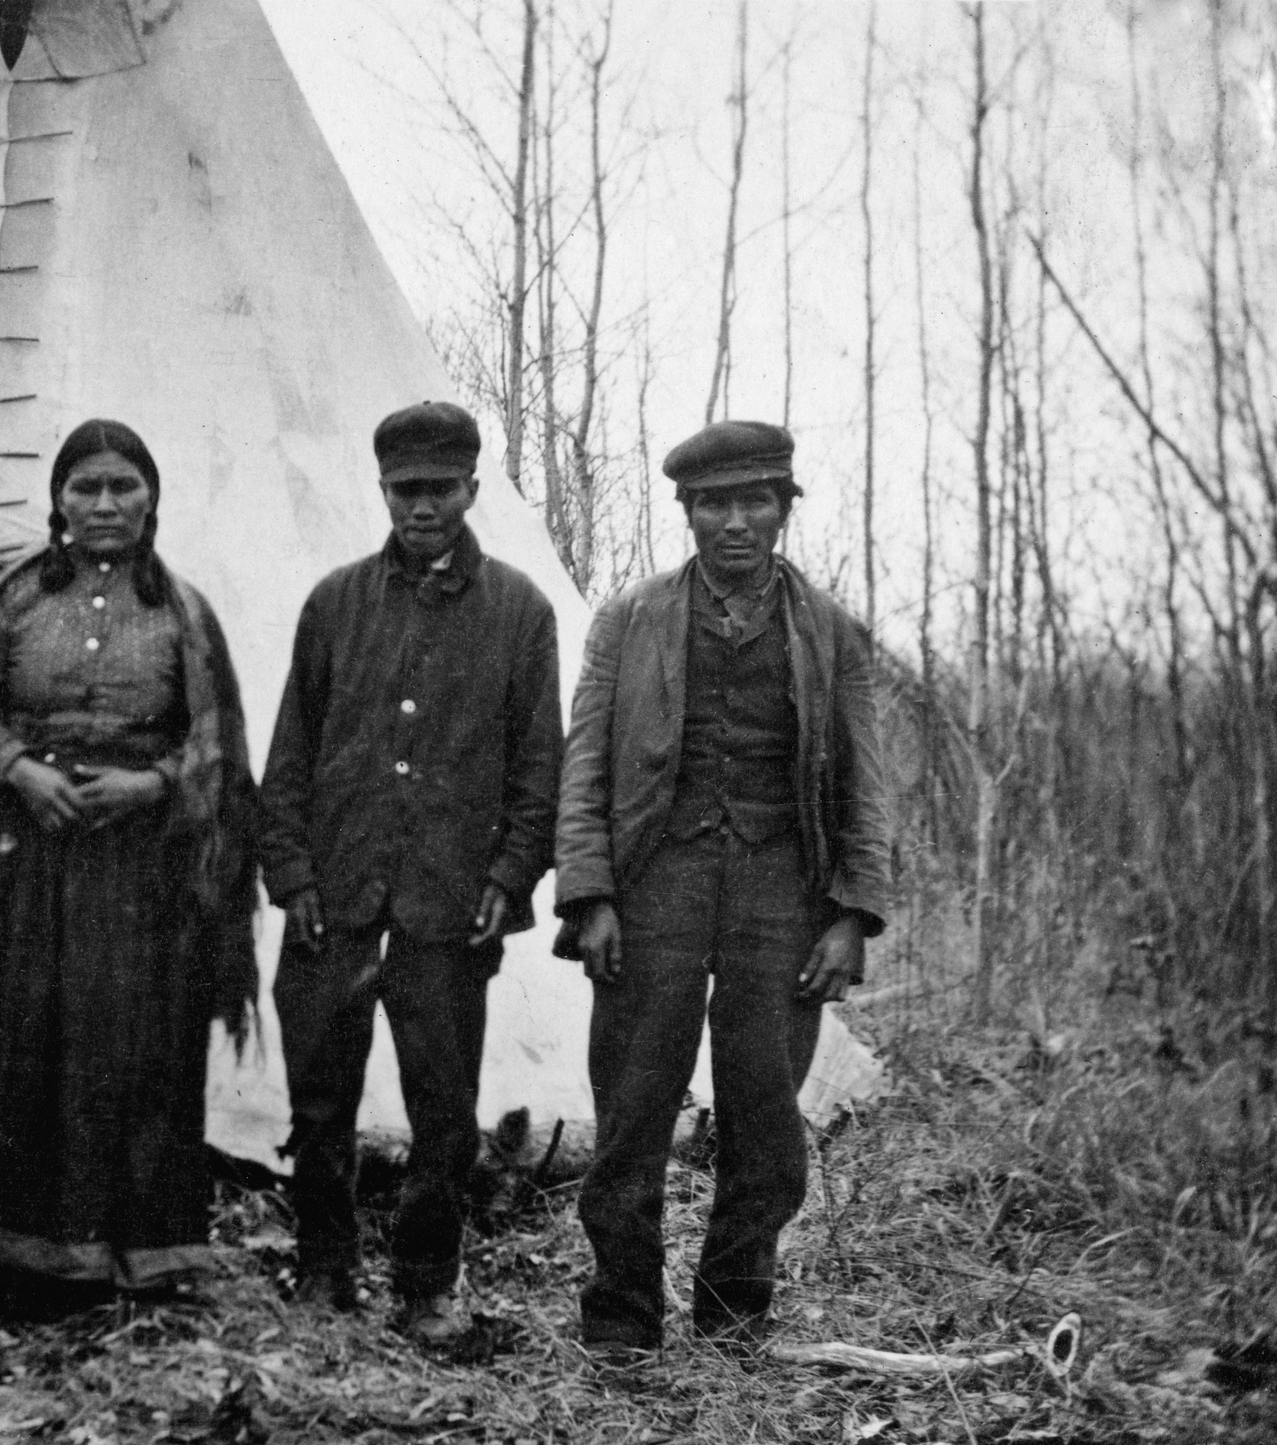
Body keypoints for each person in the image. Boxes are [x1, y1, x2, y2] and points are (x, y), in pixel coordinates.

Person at [552, 419, 893, 1352]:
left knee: (766, 1115)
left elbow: (864, 780)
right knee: (630, 1109)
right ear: (687, 512)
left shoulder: (830, 630)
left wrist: (852, 916)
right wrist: (591, 893)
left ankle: (735, 1310)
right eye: (713, 504)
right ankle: (622, 1316)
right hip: (655, 884)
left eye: (753, 502)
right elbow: (585, 762)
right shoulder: (630, 618)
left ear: (784, 509)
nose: (734, 522)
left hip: (781, 894)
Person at [259, 400, 563, 1344]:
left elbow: (537, 769)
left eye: (439, 489)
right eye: (404, 490)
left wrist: (509, 878)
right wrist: (294, 877)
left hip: (445, 905)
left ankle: (429, 1284)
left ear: (472, 489)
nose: (421, 507)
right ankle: (323, 1269)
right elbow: (290, 760)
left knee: (444, 1109)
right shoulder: (335, 603)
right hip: (335, 897)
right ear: (381, 489)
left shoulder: (518, 611)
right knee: (318, 1096)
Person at [0, 418, 258, 1308]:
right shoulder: (12, 600)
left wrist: (150, 785)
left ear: (152, 498)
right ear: (59, 500)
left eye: (123, 486)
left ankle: (138, 1254)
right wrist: (19, 768)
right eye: (87, 488)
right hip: (27, 861)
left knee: (133, 1047)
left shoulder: (182, 611)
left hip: (141, 873)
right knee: (26, 1040)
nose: (105, 504)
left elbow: (217, 744)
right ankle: (24, 1258)